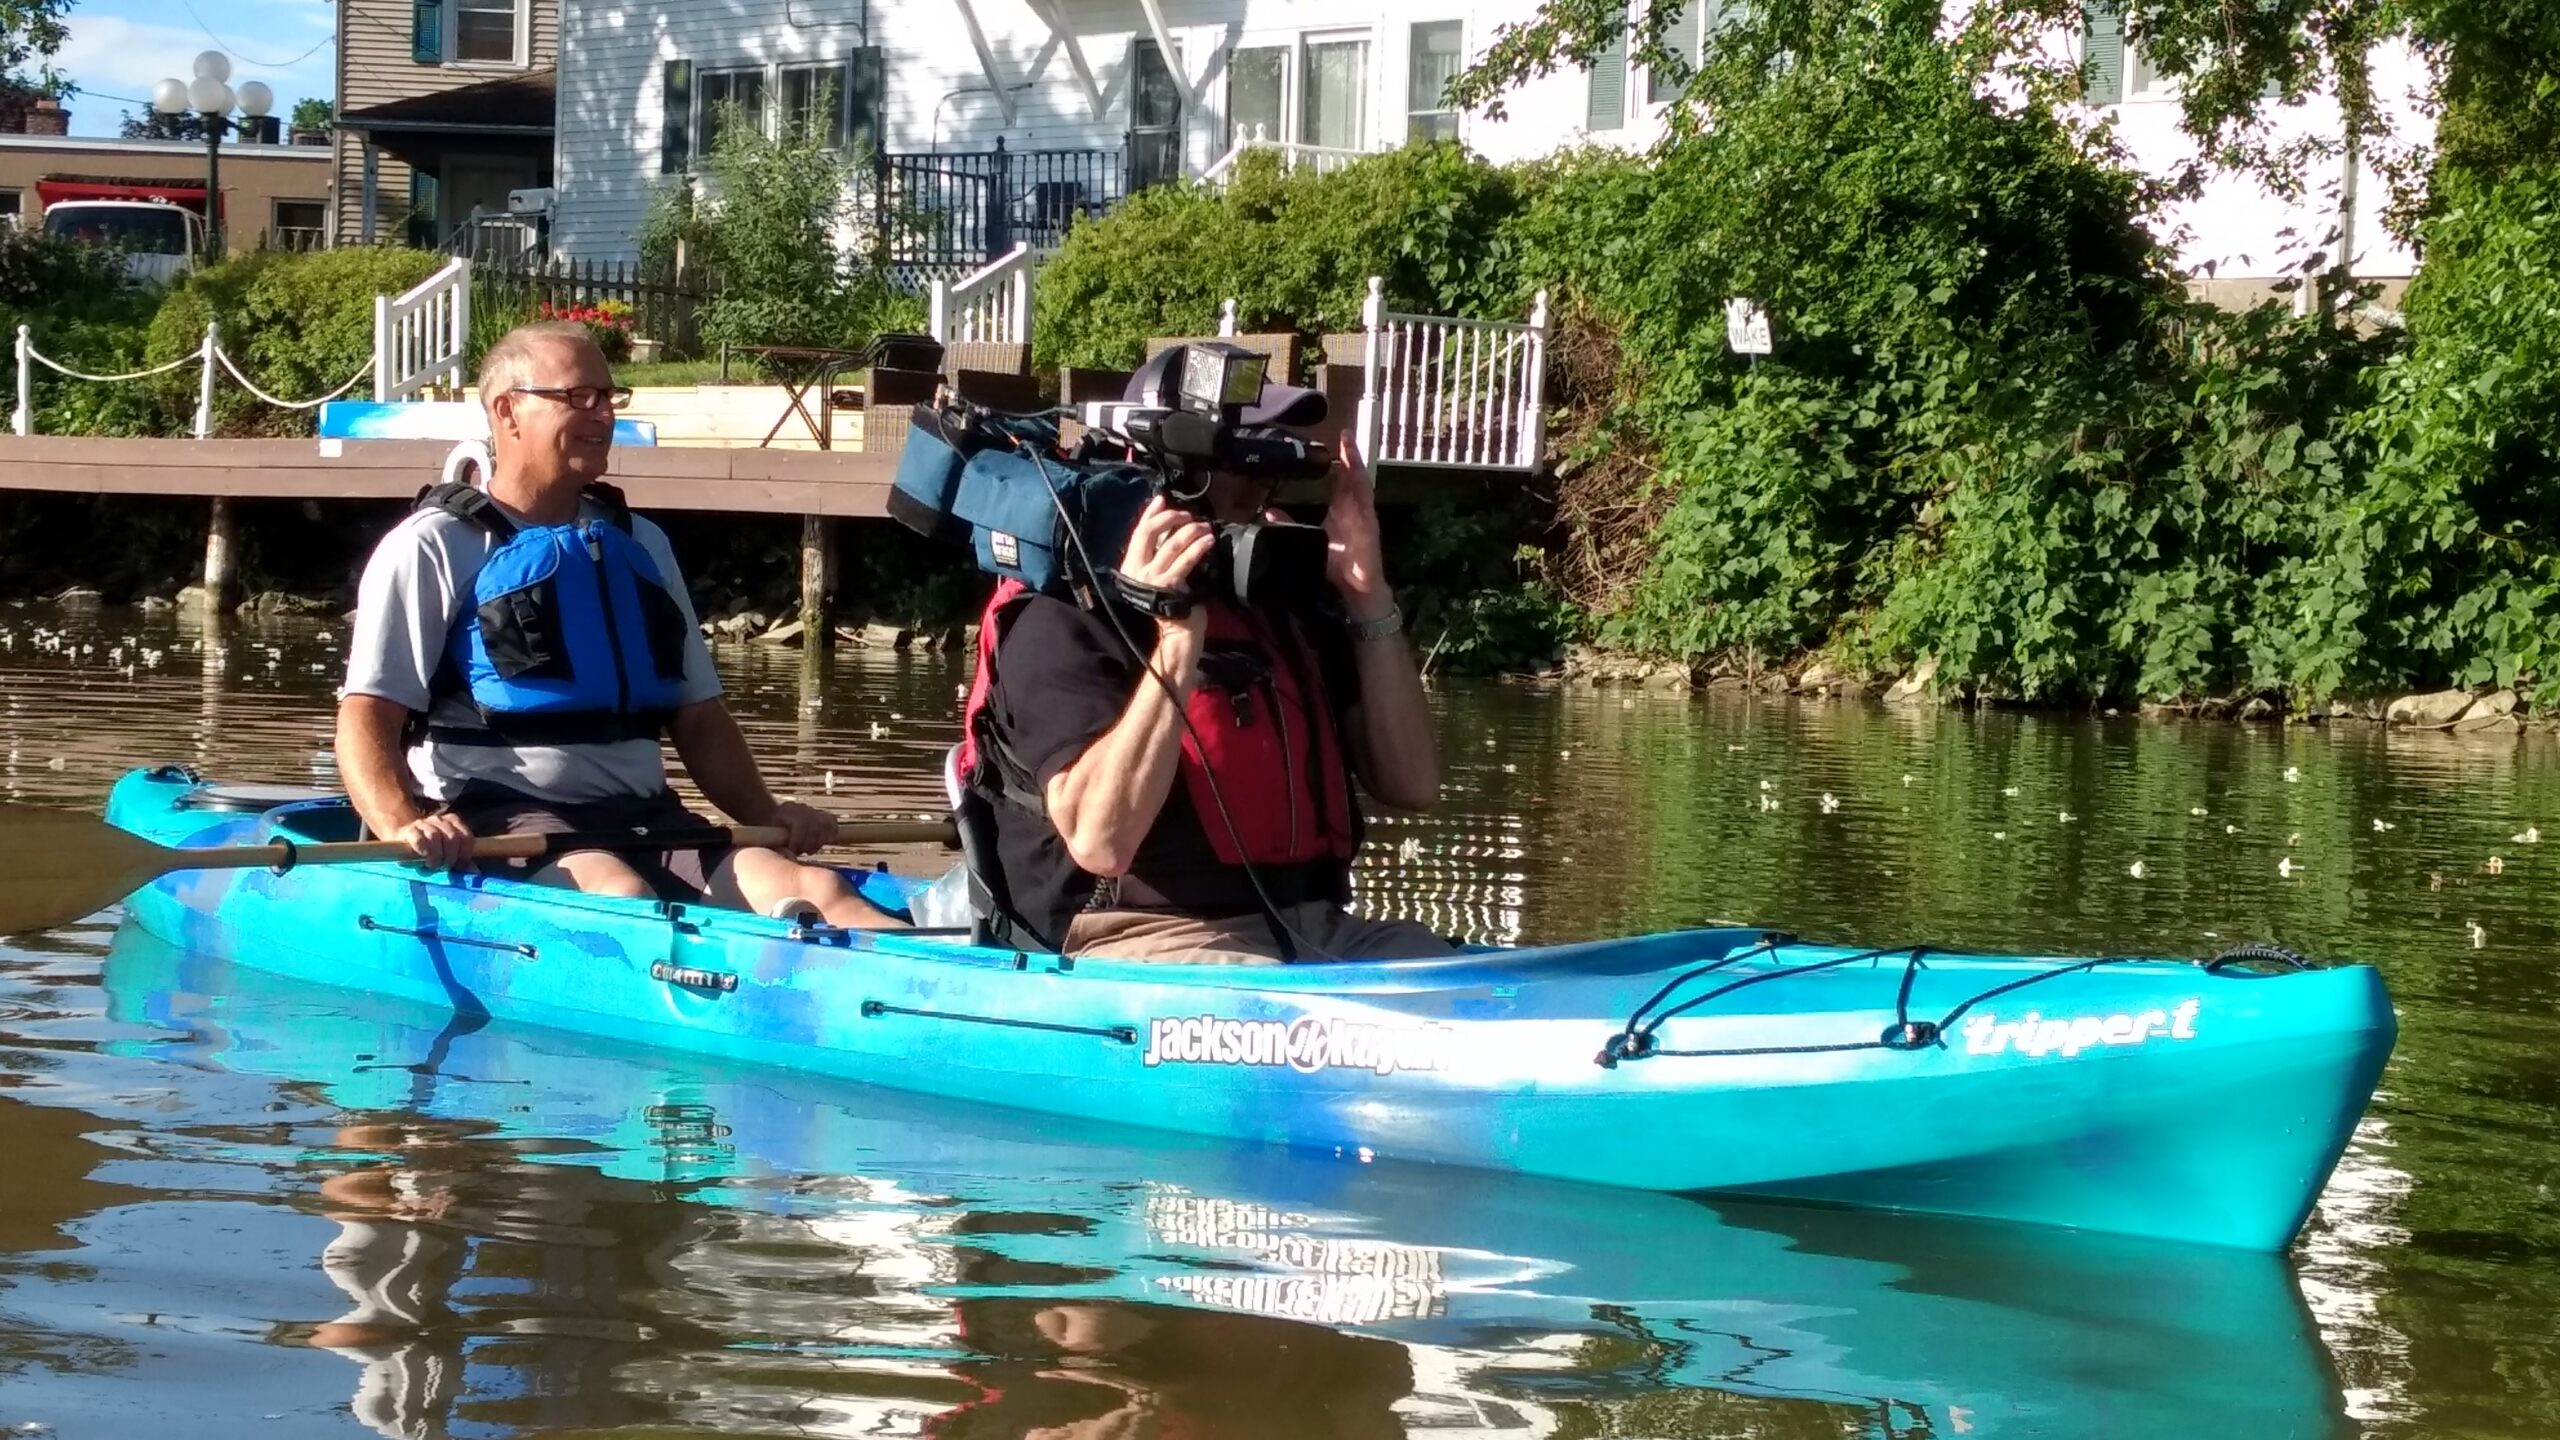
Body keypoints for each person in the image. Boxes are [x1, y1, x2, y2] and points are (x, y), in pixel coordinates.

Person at [335, 320, 897, 928]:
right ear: (507, 411)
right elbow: (367, 715)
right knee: (622, 898)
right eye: (578, 397)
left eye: (609, 397)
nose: (602, 414)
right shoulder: (434, 546)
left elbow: (699, 719)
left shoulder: (640, 543)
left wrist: (768, 813)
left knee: (813, 886)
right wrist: (404, 825)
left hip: (643, 815)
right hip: (501, 822)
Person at [962, 348, 1448, 964]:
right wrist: (1176, 634)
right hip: (1137, 938)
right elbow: (1099, 840)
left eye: (1269, 456)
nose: (1262, 478)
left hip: (1310, 928)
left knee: (1469, 979)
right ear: (1170, 466)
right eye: (1239, 456)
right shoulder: (1062, 615)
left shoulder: (1280, 604)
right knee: (1267, 997)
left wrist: (1367, 594)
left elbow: (1412, 784)